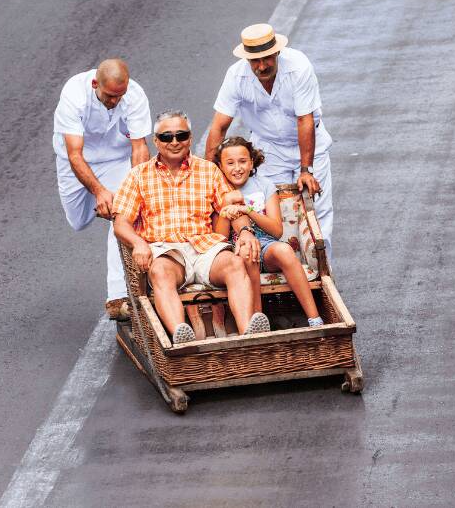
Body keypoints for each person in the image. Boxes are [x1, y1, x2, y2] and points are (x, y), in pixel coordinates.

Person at [113, 110, 270, 345]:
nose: (174, 142)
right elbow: (121, 222)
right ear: (156, 141)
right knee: (159, 272)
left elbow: (232, 207)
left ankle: (249, 333)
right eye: (167, 137)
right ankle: (182, 338)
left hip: (205, 247)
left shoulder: (208, 170)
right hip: (166, 251)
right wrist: (138, 243)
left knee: (235, 264)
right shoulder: (138, 176)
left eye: (181, 135)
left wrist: (246, 232)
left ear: (189, 137)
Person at [205, 23, 336, 260]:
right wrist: (209, 175)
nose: (262, 66)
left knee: (317, 213)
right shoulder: (236, 76)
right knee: (279, 212)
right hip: (269, 149)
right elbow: (219, 126)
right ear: (247, 59)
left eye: (266, 59)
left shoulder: (298, 66)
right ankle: (288, 269)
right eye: (255, 61)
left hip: (308, 144)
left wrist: (306, 170)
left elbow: (304, 120)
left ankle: (322, 276)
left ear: (276, 53)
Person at [53, 58, 151, 320]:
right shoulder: (74, 95)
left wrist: (135, 191)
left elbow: (140, 148)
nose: (115, 102)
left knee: (124, 216)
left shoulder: (135, 95)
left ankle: (118, 297)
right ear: (96, 84)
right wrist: (98, 191)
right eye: (109, 97)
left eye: (120, 96)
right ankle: (101, 203)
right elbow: (75, 154)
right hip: (76, 160)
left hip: (116, 160)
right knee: (78, 221)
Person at [212, 136, 324, 328]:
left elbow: (277, 230)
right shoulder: (219, 190)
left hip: (266, 243)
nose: (237, 168)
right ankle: (257, 319)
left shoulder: (264, 185)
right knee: (248, 252)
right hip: (235, 248)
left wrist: (248, 210)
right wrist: (225, 208)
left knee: (284, 250)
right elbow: (220, 237)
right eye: (230, 163)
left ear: (252, 162)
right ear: (221, 166)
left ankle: (315, 319)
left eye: (242, 161)